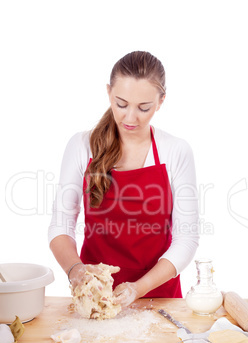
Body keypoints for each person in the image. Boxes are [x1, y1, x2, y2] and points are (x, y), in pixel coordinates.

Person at [48, 50, 199, 308]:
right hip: (95, 299)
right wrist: (76, 271)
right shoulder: (82, 146)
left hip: (159, 298)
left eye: (143, 108)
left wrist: (137, 289)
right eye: (121, 104)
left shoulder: (175, 151)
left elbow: (187, 239)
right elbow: (60, 226)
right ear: (109, 92)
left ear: (161, 101)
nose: (130, 118)